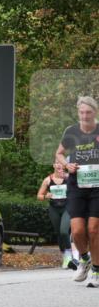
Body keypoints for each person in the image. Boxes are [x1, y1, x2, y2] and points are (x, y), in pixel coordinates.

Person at [56, 95, 99, 287]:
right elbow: (59, 154)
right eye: (81, 112)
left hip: (98, 186)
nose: (85, 116)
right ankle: (84, 258)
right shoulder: (71, 131)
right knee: (78, 230)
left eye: (88, 112)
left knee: (93, 229)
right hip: (76, 185)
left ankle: (97, 271)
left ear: (95, 113)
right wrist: (67, 165)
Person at [37, 160, 75, 269]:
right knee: (59, 233)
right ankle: (64, 255)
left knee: (64, 231)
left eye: (62, 164)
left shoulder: (68, 178)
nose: (60, 165)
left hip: (67, 208)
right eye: (57, 163)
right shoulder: (48, 180)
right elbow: (39, 195)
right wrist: (45, 196)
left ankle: (69, 256)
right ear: (54, 165)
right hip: (54, 209)